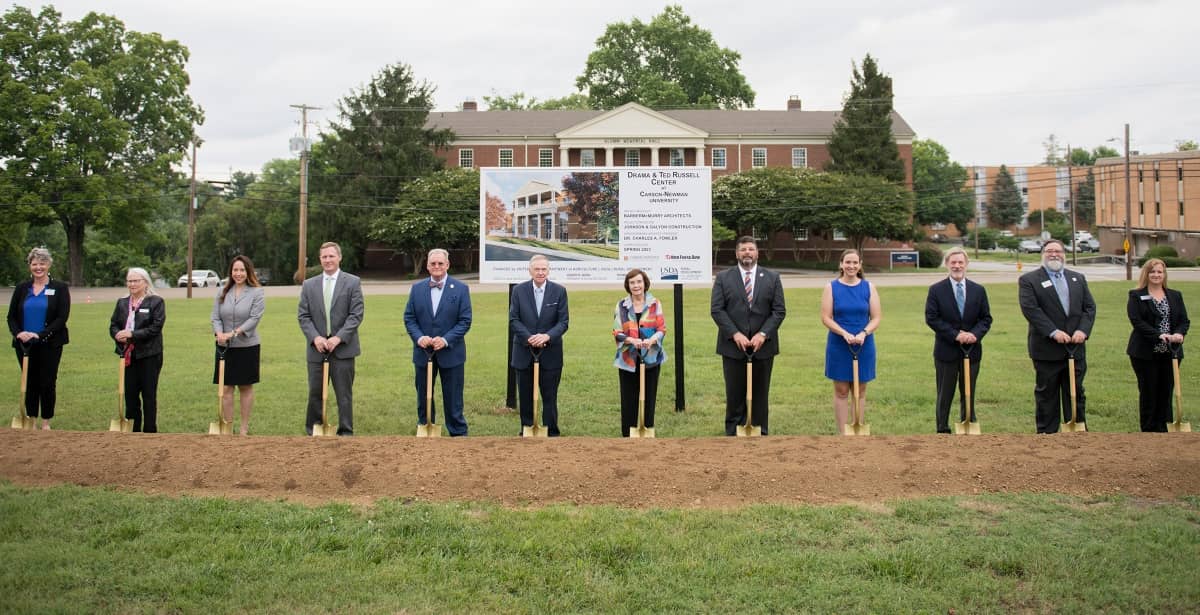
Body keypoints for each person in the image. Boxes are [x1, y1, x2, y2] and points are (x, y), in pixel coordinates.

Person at [1018, 239, 1096, 433]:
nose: (1054, 254)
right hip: (1047, 349)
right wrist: (1053, 332)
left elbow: (1089, 308)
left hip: (1075, 347)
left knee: (1076, 391)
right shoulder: (1029, 280)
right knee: (1047, 394)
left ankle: (1077, 430)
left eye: (1058, 251)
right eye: (1050, 251)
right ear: (1043, 254)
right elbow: (1031, 309)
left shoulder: (1077, 278)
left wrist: (1082, 331)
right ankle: (1047, 434)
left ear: (1064, 254)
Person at [711, 236, 786, 436]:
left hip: (763, 347)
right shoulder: (723, 278)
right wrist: (735, 334)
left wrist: (763, 334)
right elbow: (717, 310)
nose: (747, 253)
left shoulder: (772, 277)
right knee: (735, 393)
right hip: (733, 347)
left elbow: (779, 311)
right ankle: (733, 432)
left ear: (757, 253)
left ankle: (760, 431)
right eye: (743, 249)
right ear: (737, 253)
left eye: (751, 249)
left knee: (760, 393)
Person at [403, 248, 472, 436]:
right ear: (427, 266)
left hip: (452, 353)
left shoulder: (461, 289)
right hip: (423, 353)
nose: (437, 267)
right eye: (433, 263)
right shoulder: (417, 289)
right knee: (424, 395)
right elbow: (409, 318)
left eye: (440, 263)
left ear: (447, 265)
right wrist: (419, 337)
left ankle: (457, 431)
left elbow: (465, 320)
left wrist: (446, 340)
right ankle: (425, 427)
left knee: (453, 396)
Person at [298, 242, 364, 436]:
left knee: (344, 394)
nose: (328, 260)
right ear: (320, 260)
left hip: (343, 349)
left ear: (339, 258)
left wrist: (338, 338)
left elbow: (356, 315)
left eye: (331, 256)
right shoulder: (309, 285)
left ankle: (345, 431)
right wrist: (315, 338)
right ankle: (314, 430)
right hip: (316, 350)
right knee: (315, 393)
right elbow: (303, 316)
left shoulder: (352, 282)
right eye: (324, 257)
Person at [924, 246, 992, 433]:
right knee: (945, 393)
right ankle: (942, 428)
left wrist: (974, 335)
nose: (957, 266)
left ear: (966, 264)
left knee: (968, 391)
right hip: (946, 351)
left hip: (972, 350)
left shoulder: (978, 290)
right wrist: (956, 335)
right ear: (947, 264)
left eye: (960, 262)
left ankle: (968, 422)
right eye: (953, 262)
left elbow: (986, 318)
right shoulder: (936, 290)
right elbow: (932, 318)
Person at [6, 247, 70, 430]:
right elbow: (11, 317)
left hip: (50, 343)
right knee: (29, 381)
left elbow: (61, 317)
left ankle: (46, 422)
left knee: (47, 382)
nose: (38, 267)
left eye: (42, 263)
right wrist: (19, 333)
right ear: (30, 266)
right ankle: (31, 420)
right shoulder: (21, 289)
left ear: (48, 265)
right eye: (34, 264)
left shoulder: (59, 288)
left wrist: (40, 334)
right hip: (24, 343)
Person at [821, 249, 882, 435]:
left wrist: (864, 333)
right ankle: (843, 434)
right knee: (841, 390)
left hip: (864, 344)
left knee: (860, 389)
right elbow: (826, 317)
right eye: (848, 262)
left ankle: (858, 427)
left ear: (860, 265)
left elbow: (876, 317)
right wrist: (843, 333)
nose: (851, 266)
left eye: (855, 263)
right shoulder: (831, 287)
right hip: (839, 344)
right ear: (841, 264)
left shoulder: (868, 287)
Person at [1126, 258, 1190, 432]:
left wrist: (1179, 334)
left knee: (1166, 392)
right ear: (1146, 274)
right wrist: (1158, 335)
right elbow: (1137, 321)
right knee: (1149, 392)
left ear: (1164, 274)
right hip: (1145, 352)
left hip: (1171, 352)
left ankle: (1165, 430)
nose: (1156, 275)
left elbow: (1184, 320)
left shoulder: (1175, 295)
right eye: (1152, 272)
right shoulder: (1136, 295)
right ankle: (1149, 431)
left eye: (1159, 272)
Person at [509, 254, 569, 436]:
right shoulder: (519, 291)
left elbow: (563, 322)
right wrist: (529, 337)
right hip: (524, 351)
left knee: (549, 396)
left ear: (548, 270)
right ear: (530, 270)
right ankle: (527, 429)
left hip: (550, 352)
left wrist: (546, 336)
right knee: (525, 395)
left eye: (544, 269)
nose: (540, 272)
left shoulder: (559, 291)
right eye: (537, 269)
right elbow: (514, 319)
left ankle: (551, 431)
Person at [211, 255, 266, 435]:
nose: (238, 273)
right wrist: (219, 333)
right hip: (224, 346)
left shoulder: (257, 292)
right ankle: (227, 427)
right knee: (226, 387)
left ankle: (243, 428)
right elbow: (216, 316)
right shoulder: (222, 291)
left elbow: (254, 318)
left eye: (242, 270)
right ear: (231, 272)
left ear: (248, 271)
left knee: (245, 386)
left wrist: (234, 333)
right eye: (235, 270)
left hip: (247, 346)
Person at [109, 267, 166, 433]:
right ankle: (133, 430)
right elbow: (113, 324)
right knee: (130, 395)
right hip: (127, 355)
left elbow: (155, 328)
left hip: (149, 354)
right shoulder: (122, 302)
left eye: (136, 281)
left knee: (148, 395)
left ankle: (149, 431)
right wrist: (117, 335)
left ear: (145, 282)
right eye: (129, 281)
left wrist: (132, 335)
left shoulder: (156, 302)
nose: (132, 284)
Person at [612, 268, 666, 437]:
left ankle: (647, 429)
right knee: (628, 399)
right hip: (628, 358)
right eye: (632, 282)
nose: (636, 286)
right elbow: (616, 331)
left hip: (651, 357)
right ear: (628, 286)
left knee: (649, 397)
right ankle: (627, 435)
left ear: (645, 283)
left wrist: (652, 340)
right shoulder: (621, 305)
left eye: (639, 282)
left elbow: (662, 329)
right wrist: (631, 340)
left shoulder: (655, 303)